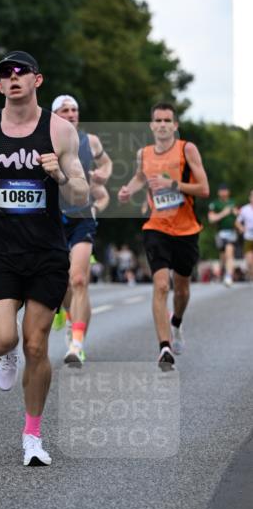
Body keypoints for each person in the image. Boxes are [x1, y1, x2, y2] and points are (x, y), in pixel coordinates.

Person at [0, 50, 89, 467]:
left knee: (37, 344)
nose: (13, 77)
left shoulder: (60, 131)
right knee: (2, 339)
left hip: (47, 253)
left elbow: (80, 194)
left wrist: (59, 175)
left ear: (37, 80)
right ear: (0, 85)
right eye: (5, 73)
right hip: (1, 252)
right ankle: (4, 352)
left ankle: (32, 436)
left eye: (21, 72)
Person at [118, 102, 209, 370]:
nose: (162, 125)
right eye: (157, 120)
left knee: (181, 289)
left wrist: (172, 184)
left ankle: (176, 322)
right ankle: (164, 348)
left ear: (175, 125)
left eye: (167, 120)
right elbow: (140, 177)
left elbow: (204, 188)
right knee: (161, 286)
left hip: (186, 229)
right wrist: (128, 190)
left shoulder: (187, 149)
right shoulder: (144, 154)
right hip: (156, 226)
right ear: (151, 125)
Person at [50, 94, 113, 364]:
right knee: (63, 284)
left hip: (82, 217)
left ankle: (76, 344)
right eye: (65, 110)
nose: (71, 114)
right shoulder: (46, 140)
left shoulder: (90, 141)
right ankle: (68, 317)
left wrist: (103, 174)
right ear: (55, 115)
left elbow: (106, 164)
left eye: (74, 109)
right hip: (53, 219)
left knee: (78, 279)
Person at [208, 184, 239, 288]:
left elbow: (237, 217)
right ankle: (221, 272)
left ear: (228, 192)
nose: (224, 193)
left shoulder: (232, 202)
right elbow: (211, 219)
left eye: (225, 190)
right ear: (218, 192)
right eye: (222, 190)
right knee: (223, 256)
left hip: (231, 232)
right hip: (220, 233)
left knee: (230, 253)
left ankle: (228, 276)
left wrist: (236, 215)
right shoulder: (215, 204)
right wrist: (224, 213)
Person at [235, 189, 253, 282]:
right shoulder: (245, 209)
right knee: (249, 260)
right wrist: (241, 228)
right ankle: (251, 274)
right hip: (248, 237)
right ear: (249, 198)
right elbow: (237, 222)